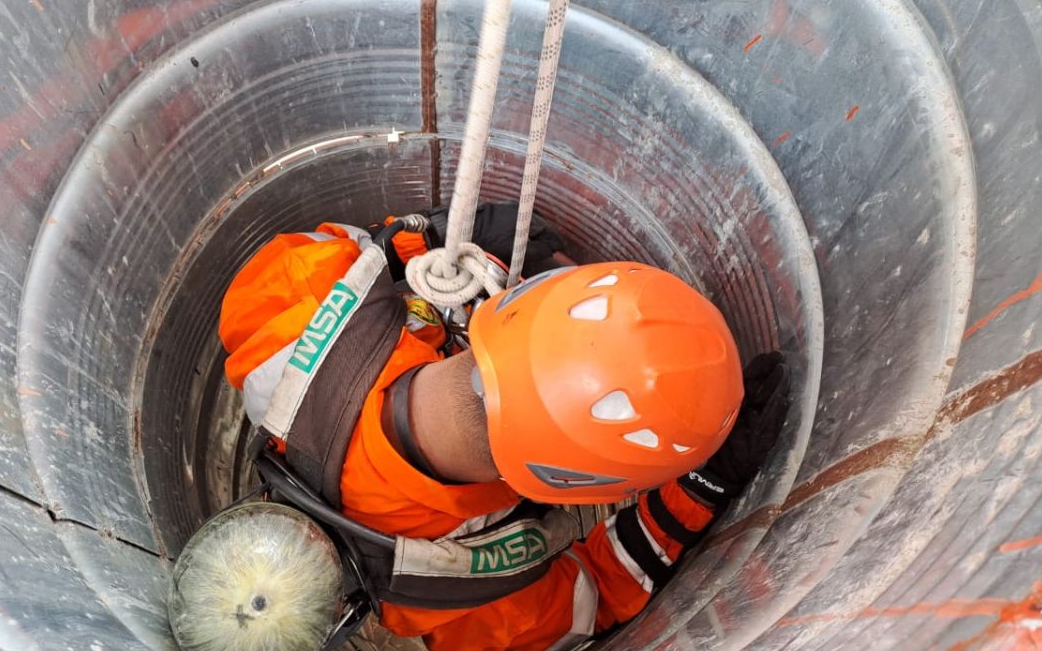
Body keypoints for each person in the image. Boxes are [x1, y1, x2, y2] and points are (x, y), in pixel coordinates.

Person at [216, 203, 790, 651]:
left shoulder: (286, 315)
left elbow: (331, 252)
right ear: (564, 485)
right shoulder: (472, 610)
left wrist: (428, 236)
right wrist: (705, 485)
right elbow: (602, 583)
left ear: (511, 306)